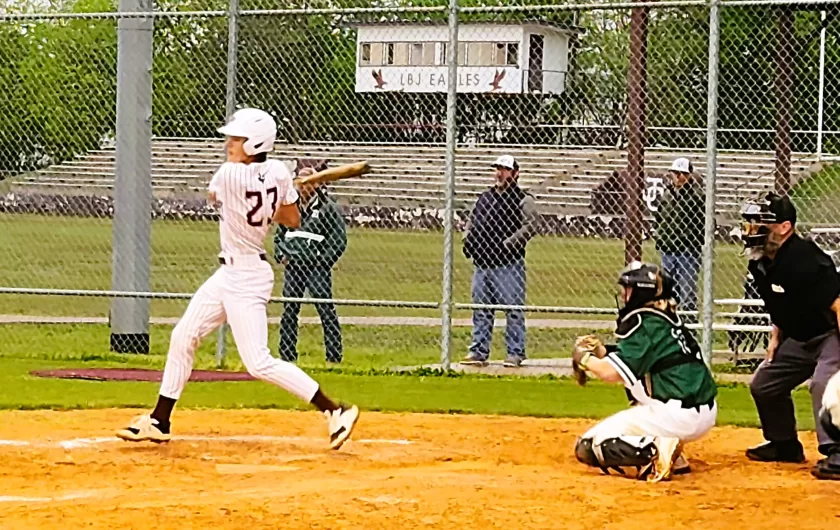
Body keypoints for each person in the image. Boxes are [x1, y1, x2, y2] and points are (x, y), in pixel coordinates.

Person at [115, 108, 359, 449]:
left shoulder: (228, 175)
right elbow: (290, 219)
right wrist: (280, 190)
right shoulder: (277, 171)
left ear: (256, 142)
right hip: (230, 273)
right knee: (184, 335)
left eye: (237, 139)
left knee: (258, 362)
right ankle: (159, 419)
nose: (229, 143)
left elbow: (214, 195)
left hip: (247, 276)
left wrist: (269, 191)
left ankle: (335, 410)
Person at [572, 261, 718, 483]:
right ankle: (673, 452)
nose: (623, 296)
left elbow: (611, 373)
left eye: (628, 290)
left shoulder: (643, 323)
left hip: (677, 415)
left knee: (589, 446)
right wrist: (601, 351)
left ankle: (656, 449)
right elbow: (643, 358)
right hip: (702, 412)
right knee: (636, 384)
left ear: (641, 293)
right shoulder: (665, 319)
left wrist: (583, 358)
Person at [739, 192, 840, 480]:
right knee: (765, 384)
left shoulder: (804, 258)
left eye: (760, 222)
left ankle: (838, 451)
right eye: (751, 222)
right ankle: (784, 444)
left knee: (824, 383)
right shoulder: (761, 261)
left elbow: (838, 304)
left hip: (830, 332)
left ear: (784, 227)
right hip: (798, 337)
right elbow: (780, 303)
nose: (752, 228)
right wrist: (775, 338)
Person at [461, 155, 538, 368]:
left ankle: (515, 352)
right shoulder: (485, 197)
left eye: (504, 169)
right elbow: (472, 220)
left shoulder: (523, 199)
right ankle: (478, 351)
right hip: (482, 263)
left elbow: (531, 226)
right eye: (498, 169)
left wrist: (508, 244)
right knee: (481, 309)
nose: (500, 173)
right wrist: (467, 239)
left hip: (508, 264)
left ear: (515, 173)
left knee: (513, 309)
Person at [275, 160, 347, 364]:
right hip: (294, 267)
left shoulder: (328, 209)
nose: (304, 186)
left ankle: (333, 357)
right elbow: (279, 237)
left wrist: (323, 261)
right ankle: (287, 356)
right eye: (301, 182)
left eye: (309, 182)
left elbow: (339, 240)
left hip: (317, 268)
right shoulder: (289, 207)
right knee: (289, 309)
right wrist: (282, 255)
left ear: (317, 184)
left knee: (325, 309)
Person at [654, 157, 705, 318]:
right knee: (668, 290)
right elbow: (659, 218)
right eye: (675, 173)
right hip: (668, 248)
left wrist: (692, 241)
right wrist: (661, 238)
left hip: (687, 251)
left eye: (682, 173)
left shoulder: (696, 197)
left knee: (687, 290)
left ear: (689, 175)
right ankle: (670, 322)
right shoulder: (667, 195)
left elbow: (702, 223)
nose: (678, 177)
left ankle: (689, 325)